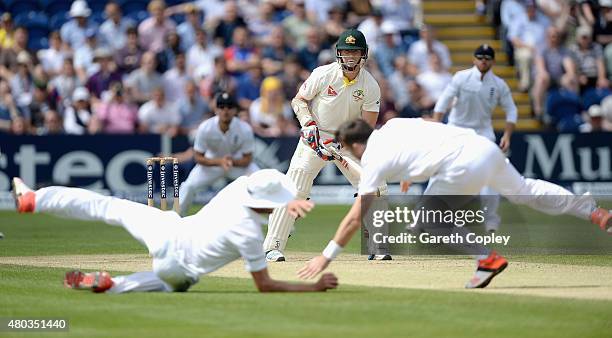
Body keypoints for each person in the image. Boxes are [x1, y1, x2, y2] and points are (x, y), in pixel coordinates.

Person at [297, 118, 612, 288]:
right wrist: (411, 171)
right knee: (523, 189)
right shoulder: (393, 125)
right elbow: (424, 127)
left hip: (461, 164)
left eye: (350, 150)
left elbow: (355, 218)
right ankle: (594, 212)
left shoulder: (374, 159)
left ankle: (487, 259)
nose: (351, 155)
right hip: (482, 146)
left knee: (426, 222)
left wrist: (326, 257)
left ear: (355, 144)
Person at [11, 170, 338, 294]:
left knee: (107, 207)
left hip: (169, 230)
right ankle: (112, 286)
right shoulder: (249, 234)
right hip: (177, 270)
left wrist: (285, 200)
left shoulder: (239, 187)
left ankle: (34, 198)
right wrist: (313, 288)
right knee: (173, 284)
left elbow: (261, 192)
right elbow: (265, 285)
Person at [264, 29, 388, 262]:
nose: (350, 57)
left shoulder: (370, 85)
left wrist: (343, 144)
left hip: (348, 142)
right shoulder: (323, 74)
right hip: (315, 137)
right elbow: (299, 100)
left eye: (355, 51)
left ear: (364, 55)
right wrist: (308, 124)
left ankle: (377, 246)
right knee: (295, 187)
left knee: (376, 185)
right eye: (346, 51)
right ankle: (273, 246)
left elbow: (365, 128)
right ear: (338, 53)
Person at [433, 45, 517, 233]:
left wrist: (507, 135)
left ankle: (491, 220)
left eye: (487, 58)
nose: (483, 61)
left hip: (483, 133)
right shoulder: (461, 77)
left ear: (493, 61)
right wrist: (437, 128)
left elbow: (511, 110)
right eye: (480, 57)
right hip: (456, 130)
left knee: (490, 175)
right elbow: (442, 103)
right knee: (440, 172)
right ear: (474, 59)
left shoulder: (498, 84)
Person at [178, 92, 259, 216]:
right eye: (221, 107)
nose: (225, 111)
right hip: (211, 164)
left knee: (260, 182)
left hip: (236, 164)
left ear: (235, 110)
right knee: (188, 186)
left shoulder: (245, 128)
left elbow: (247, 159)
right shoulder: (205, 127)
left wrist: (230, 161)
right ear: (216, 109)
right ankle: (176, 216)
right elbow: (198, 157)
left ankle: (279, 223)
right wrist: (220, 162)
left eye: (229, 107)